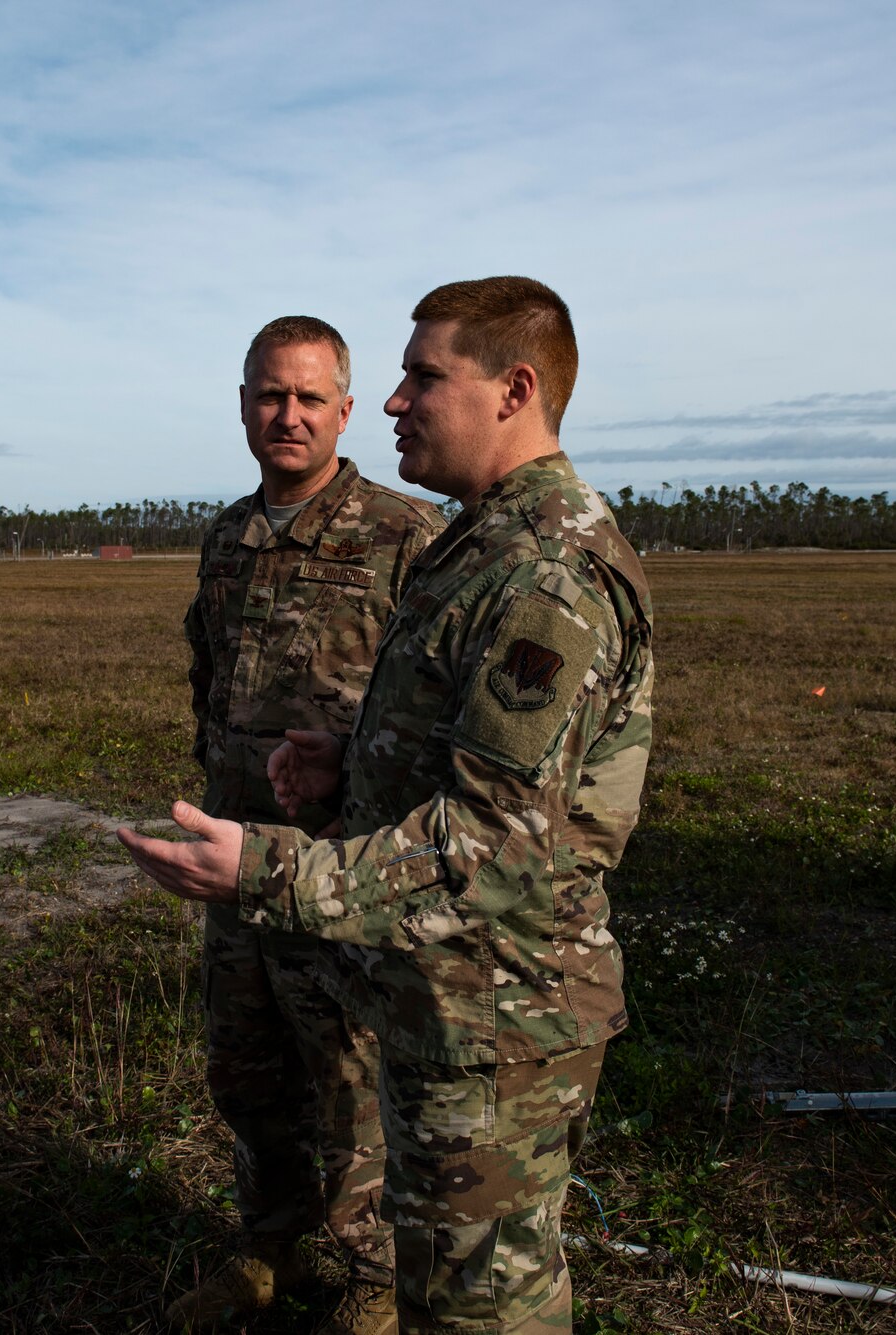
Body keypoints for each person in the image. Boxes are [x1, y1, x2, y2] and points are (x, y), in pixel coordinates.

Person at [121, 277, 654, 1334]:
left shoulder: (538, 567)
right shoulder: (481, 545)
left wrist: (267, 867)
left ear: (512, 389)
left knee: (475, 1307)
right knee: (440, 1283)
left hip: (496, 1000)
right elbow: (451, 752)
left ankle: (355, 1272)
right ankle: (284, 1248)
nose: (399, 400)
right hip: (436, 979)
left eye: (420, 375)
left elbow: (495, 846)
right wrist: (350, 761)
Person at [170, 315, 443, 1335]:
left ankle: (374, 1272)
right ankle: (264, 1245)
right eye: (266, 395)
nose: (285, 415)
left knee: (350, 1082)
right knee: (245, 1068)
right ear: (244, 403)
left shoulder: (405, 534)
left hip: (343, 869)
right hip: (234, 860)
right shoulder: (226, 540)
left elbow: (434, 707)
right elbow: (207, 680)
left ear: (342, 406)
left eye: (306, 398)